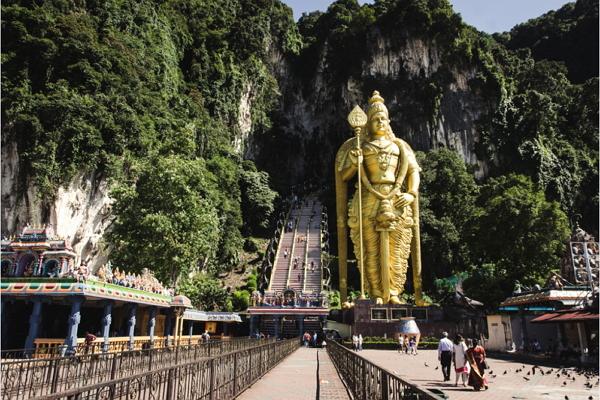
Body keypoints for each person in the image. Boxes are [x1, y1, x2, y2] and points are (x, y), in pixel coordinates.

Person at [335, 91, 423, 305]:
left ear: (389, 121)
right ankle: (375, 292)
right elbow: (344, 176)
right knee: (370, 247)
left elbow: (414, 172)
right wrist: (355, 163)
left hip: (396, 198)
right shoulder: (361, 147)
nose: (380, 122)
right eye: (375, 119)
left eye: (383, 118)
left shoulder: (399, 146)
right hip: (368, 198)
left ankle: (394, 292)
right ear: (368, 124)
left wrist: (410, 193)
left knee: (398, 246)